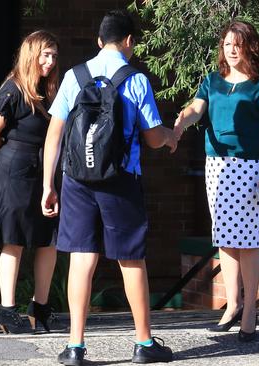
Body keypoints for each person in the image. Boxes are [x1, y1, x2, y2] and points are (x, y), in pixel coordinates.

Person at [41, 10, 176, 365]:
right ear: (129, 41)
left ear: (99, 41)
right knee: (131, 258)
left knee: (82, 258)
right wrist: (171, 137)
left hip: (76, 180)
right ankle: (144, 344)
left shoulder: (74, 76)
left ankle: (75, 347)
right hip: (120, 180)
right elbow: (151, 137)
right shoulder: (135, 80)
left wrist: (47, 185)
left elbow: (55, 133)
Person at [173, 20, 259, 342]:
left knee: (247, 240)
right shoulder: (212, 81)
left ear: (250, 46)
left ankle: (250, 311)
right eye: (227, 44)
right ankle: (232, 304)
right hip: (216, 167)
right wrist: (182, 121)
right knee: (225, 237)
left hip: (250, 167)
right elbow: (196, 109)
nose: (231, 50)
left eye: (238, 44)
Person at [0, 30, 62, 334]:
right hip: (14, 170)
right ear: (31, 54)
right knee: (14, 240)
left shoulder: (48, 90)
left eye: (53, 55)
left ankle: (40, 306)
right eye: (45, 54)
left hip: (42, 172)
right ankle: (7, 310)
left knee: (48, 240)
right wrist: (7, 154)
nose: (50, 61)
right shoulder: (13, 89)